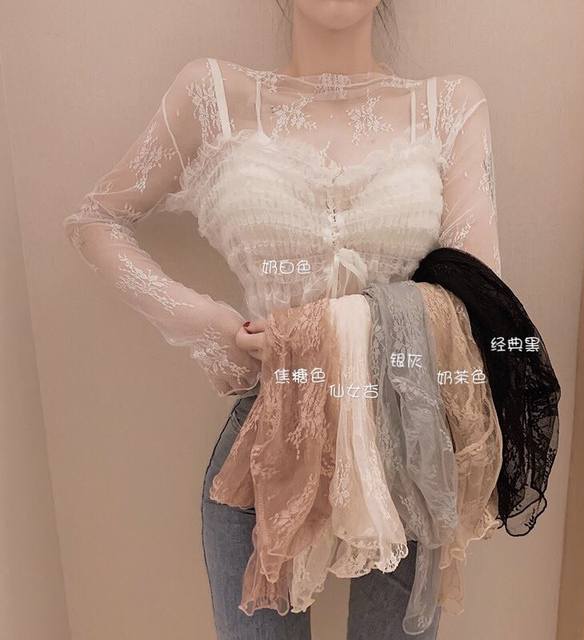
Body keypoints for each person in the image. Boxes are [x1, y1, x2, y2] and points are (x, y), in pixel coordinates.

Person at [63, 1, 501, 637]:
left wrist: (319, 334)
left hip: (403, 440)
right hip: (266, 438)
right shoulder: (213, 95)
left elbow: (479, 298)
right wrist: (210, 326)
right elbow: (96, 220)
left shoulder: (448, 107)